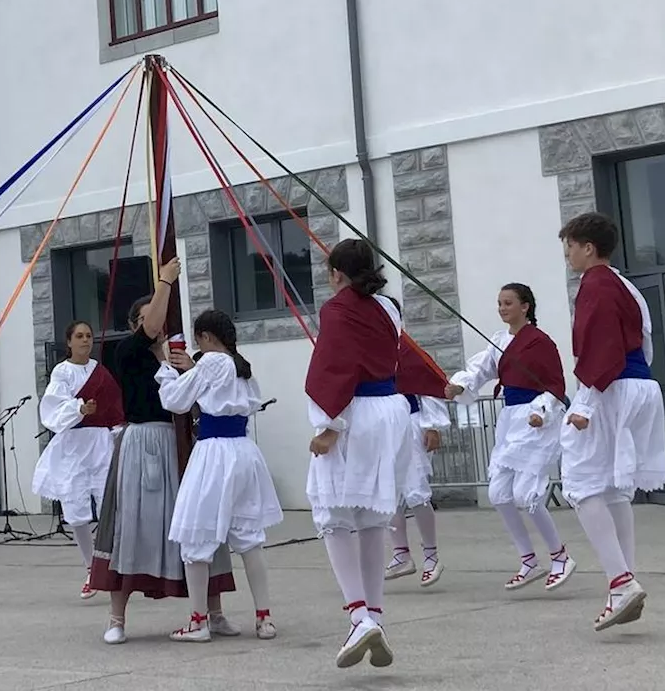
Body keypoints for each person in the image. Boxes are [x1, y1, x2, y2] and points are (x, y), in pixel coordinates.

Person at [88, 258, 236, 645]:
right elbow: (151, 324)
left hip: (183, 444)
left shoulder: (176, 357)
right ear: (134, 324)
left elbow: (203, 400)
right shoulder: (127, 353)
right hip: (143, 443)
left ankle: (213, 611)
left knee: (200, 523)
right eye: (142, 316)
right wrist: (165, 281)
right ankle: (116, 618)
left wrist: (191, 371)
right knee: (132, 527)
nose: (150, 321)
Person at [306, 238, 417, 670]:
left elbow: (336, 364)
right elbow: (397, 357)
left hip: (355, 412)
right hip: (391, 412)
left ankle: (358, 615)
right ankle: (375, 616)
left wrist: (329, 425)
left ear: (337, 273)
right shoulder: (389, 308)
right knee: (373, 515)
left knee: (331, 512)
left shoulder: (336, 309)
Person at [557, 213, 665, 632]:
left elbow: (599, 345)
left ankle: (621, 582)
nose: (567, 254)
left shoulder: (596, 284)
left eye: (570, 245)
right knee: (612, 488)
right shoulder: (626, 285)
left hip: (611, 386)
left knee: (581, 483)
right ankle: (623, 579)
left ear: (588, 247)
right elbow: (645, 340)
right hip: (640, 384)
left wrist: (584, 402)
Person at [157, 307, 282, 642]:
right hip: (243, 450)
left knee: (195, 537)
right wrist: (193, 369)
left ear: (207, 338)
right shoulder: (242, 365)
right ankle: (264, 617)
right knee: (249, 537)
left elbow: (175, 401)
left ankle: (198, 621)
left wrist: (166, 369)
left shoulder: (213, 361)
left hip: (215, 452)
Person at [445, 283, 575, 591]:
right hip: (509, 419)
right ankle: (528, 559)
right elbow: (481, 369)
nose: (502, 308)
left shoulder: (541, 342)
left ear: (525, 306)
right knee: (498, 494)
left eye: (508, 303)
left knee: (527, 495)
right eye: (499, 303)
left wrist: (541, 411)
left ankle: (560, 556)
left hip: (535, 419)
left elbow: (556, 384)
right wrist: (461, 385)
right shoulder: (499, 340)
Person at [31, 319, 123, 598]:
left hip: (99, 442)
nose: (85, 340)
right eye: (79, 336)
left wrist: (116, 430)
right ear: (69, 342)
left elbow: (115, 403)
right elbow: (52, 408)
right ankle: (90, 568)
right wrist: (79, 409)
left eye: (88, 336)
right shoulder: (62, 371)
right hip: (73, 443)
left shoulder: (101, 371)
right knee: (76, 508)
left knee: (109, 504)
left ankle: (115, 566)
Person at [386, 332, 452, 589]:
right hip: (383, 429)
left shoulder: (407, 351)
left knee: (416, 492)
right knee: (386, 494)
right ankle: (401, 553)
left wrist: (433, 426)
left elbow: (430, 386)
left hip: (410, 425)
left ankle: (431, 556)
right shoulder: (366, 348)